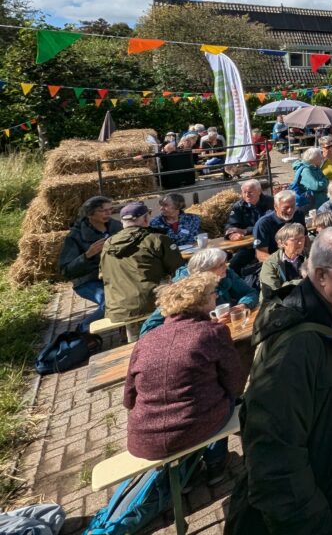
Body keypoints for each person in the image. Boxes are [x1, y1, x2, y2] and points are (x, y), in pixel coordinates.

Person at [225, 228, 332, 535]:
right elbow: (275, 463)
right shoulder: (294, 350)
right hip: (324, 506)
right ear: (321, 275)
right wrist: (318, 526)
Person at [124, 272, 246, 485]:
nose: (216, 296)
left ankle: (185, 478)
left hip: (143, 438)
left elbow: (128, 397)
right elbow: (235, 384)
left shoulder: (146, 340)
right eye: (211, 293)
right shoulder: (212, 333)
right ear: (200, 302)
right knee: (230, 401)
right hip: (193, 427)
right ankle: (216, 464)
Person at [100, 202, 186, 341]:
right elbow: (180, 270)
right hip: (152, 303)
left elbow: (102, 273)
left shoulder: (107, 244)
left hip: (119, 307)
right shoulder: (157, 239)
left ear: (122, 222)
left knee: (136, 342)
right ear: (145, 219)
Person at [139, 247, 258, 336]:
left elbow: (250, 293)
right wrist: (206, 323)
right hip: (196, 338)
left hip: (225, 331)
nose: (226, 266)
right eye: (221, 265)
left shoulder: (225, 275)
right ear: (205, 271)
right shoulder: (183, 289)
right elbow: (148, 329)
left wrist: (241, 306)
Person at [58, 196, 121, 331]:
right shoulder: (75, 236)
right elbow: (66, 271)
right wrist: (88, 255)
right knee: (109, 302)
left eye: (110, 210)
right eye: (102, 211)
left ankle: (126, 329)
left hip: (114, 276)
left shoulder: (116, 227)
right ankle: (83, 328)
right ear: (90, 213)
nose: (108, 214)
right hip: (87, 280)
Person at [259, 223, 308, 300]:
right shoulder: (270, 263)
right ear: (282, 243)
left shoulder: (309, 255)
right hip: (279, 304)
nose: (300, 243)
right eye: (295, 239)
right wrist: (303, 282)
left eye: (302, 238)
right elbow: (273, 292)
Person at [252, 190, 299, 258]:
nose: (290, 210)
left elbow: (306, 240)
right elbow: (261, 254)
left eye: (293, 206)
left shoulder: (298, 214)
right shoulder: (263, 224)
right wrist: (282, 265)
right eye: (286, 207)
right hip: (275, 262)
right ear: (276, 207)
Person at [291, 147, 329, 211]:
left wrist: (324, 181)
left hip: (320, 202)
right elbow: (316, 186)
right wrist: (325, 182)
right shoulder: (306, 170)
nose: (322, 158)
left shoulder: (316, 168)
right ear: (313, 158)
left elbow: (325, 179)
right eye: (319, 156)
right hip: (312, 205)